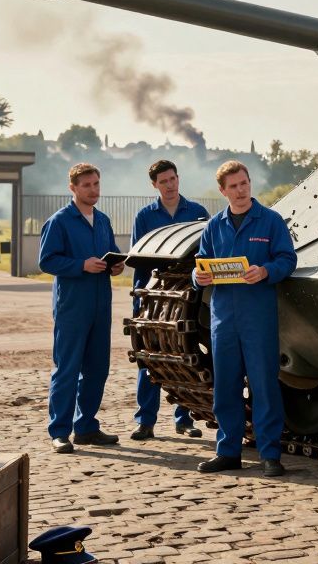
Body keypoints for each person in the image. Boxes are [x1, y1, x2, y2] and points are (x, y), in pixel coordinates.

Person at [193, 160, 296, 477]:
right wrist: (199, 278)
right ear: (223, 191)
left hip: (258, 316)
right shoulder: (214, 226)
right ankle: (228, 451)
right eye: (234, 186)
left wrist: (266, 270)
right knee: (225, 386)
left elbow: (287, 259)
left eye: (245, 183)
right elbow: (200, 265)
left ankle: (270, 454)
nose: (241, 190)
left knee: (264, 385)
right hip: (223, 318)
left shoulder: (270, 221)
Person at [38, 163, 126, 454]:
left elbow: (110, 251)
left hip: (101, 304)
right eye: (87, 185)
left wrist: (116, 266)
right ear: (73, 188)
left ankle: (86, 426)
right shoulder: (59, 221)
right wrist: (81, 265)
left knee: (97, 368)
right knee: (67, 368)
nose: (94, 190)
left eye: (97, 184)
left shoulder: (102, 220)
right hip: (72, 306)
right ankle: (60, 431)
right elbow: (47, 260)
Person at [130, 159, 210, 441]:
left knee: (188, 358)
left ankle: (185, 419)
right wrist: (142, 302)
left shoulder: (198, 212)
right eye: (163, 181)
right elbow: (138, 260)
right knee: (150, 359)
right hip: (154, 299)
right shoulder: (145, 216)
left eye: (173, 178)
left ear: (179, 178)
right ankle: (145, 421)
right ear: (154, 185)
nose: (170, 184)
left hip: (188, 298)